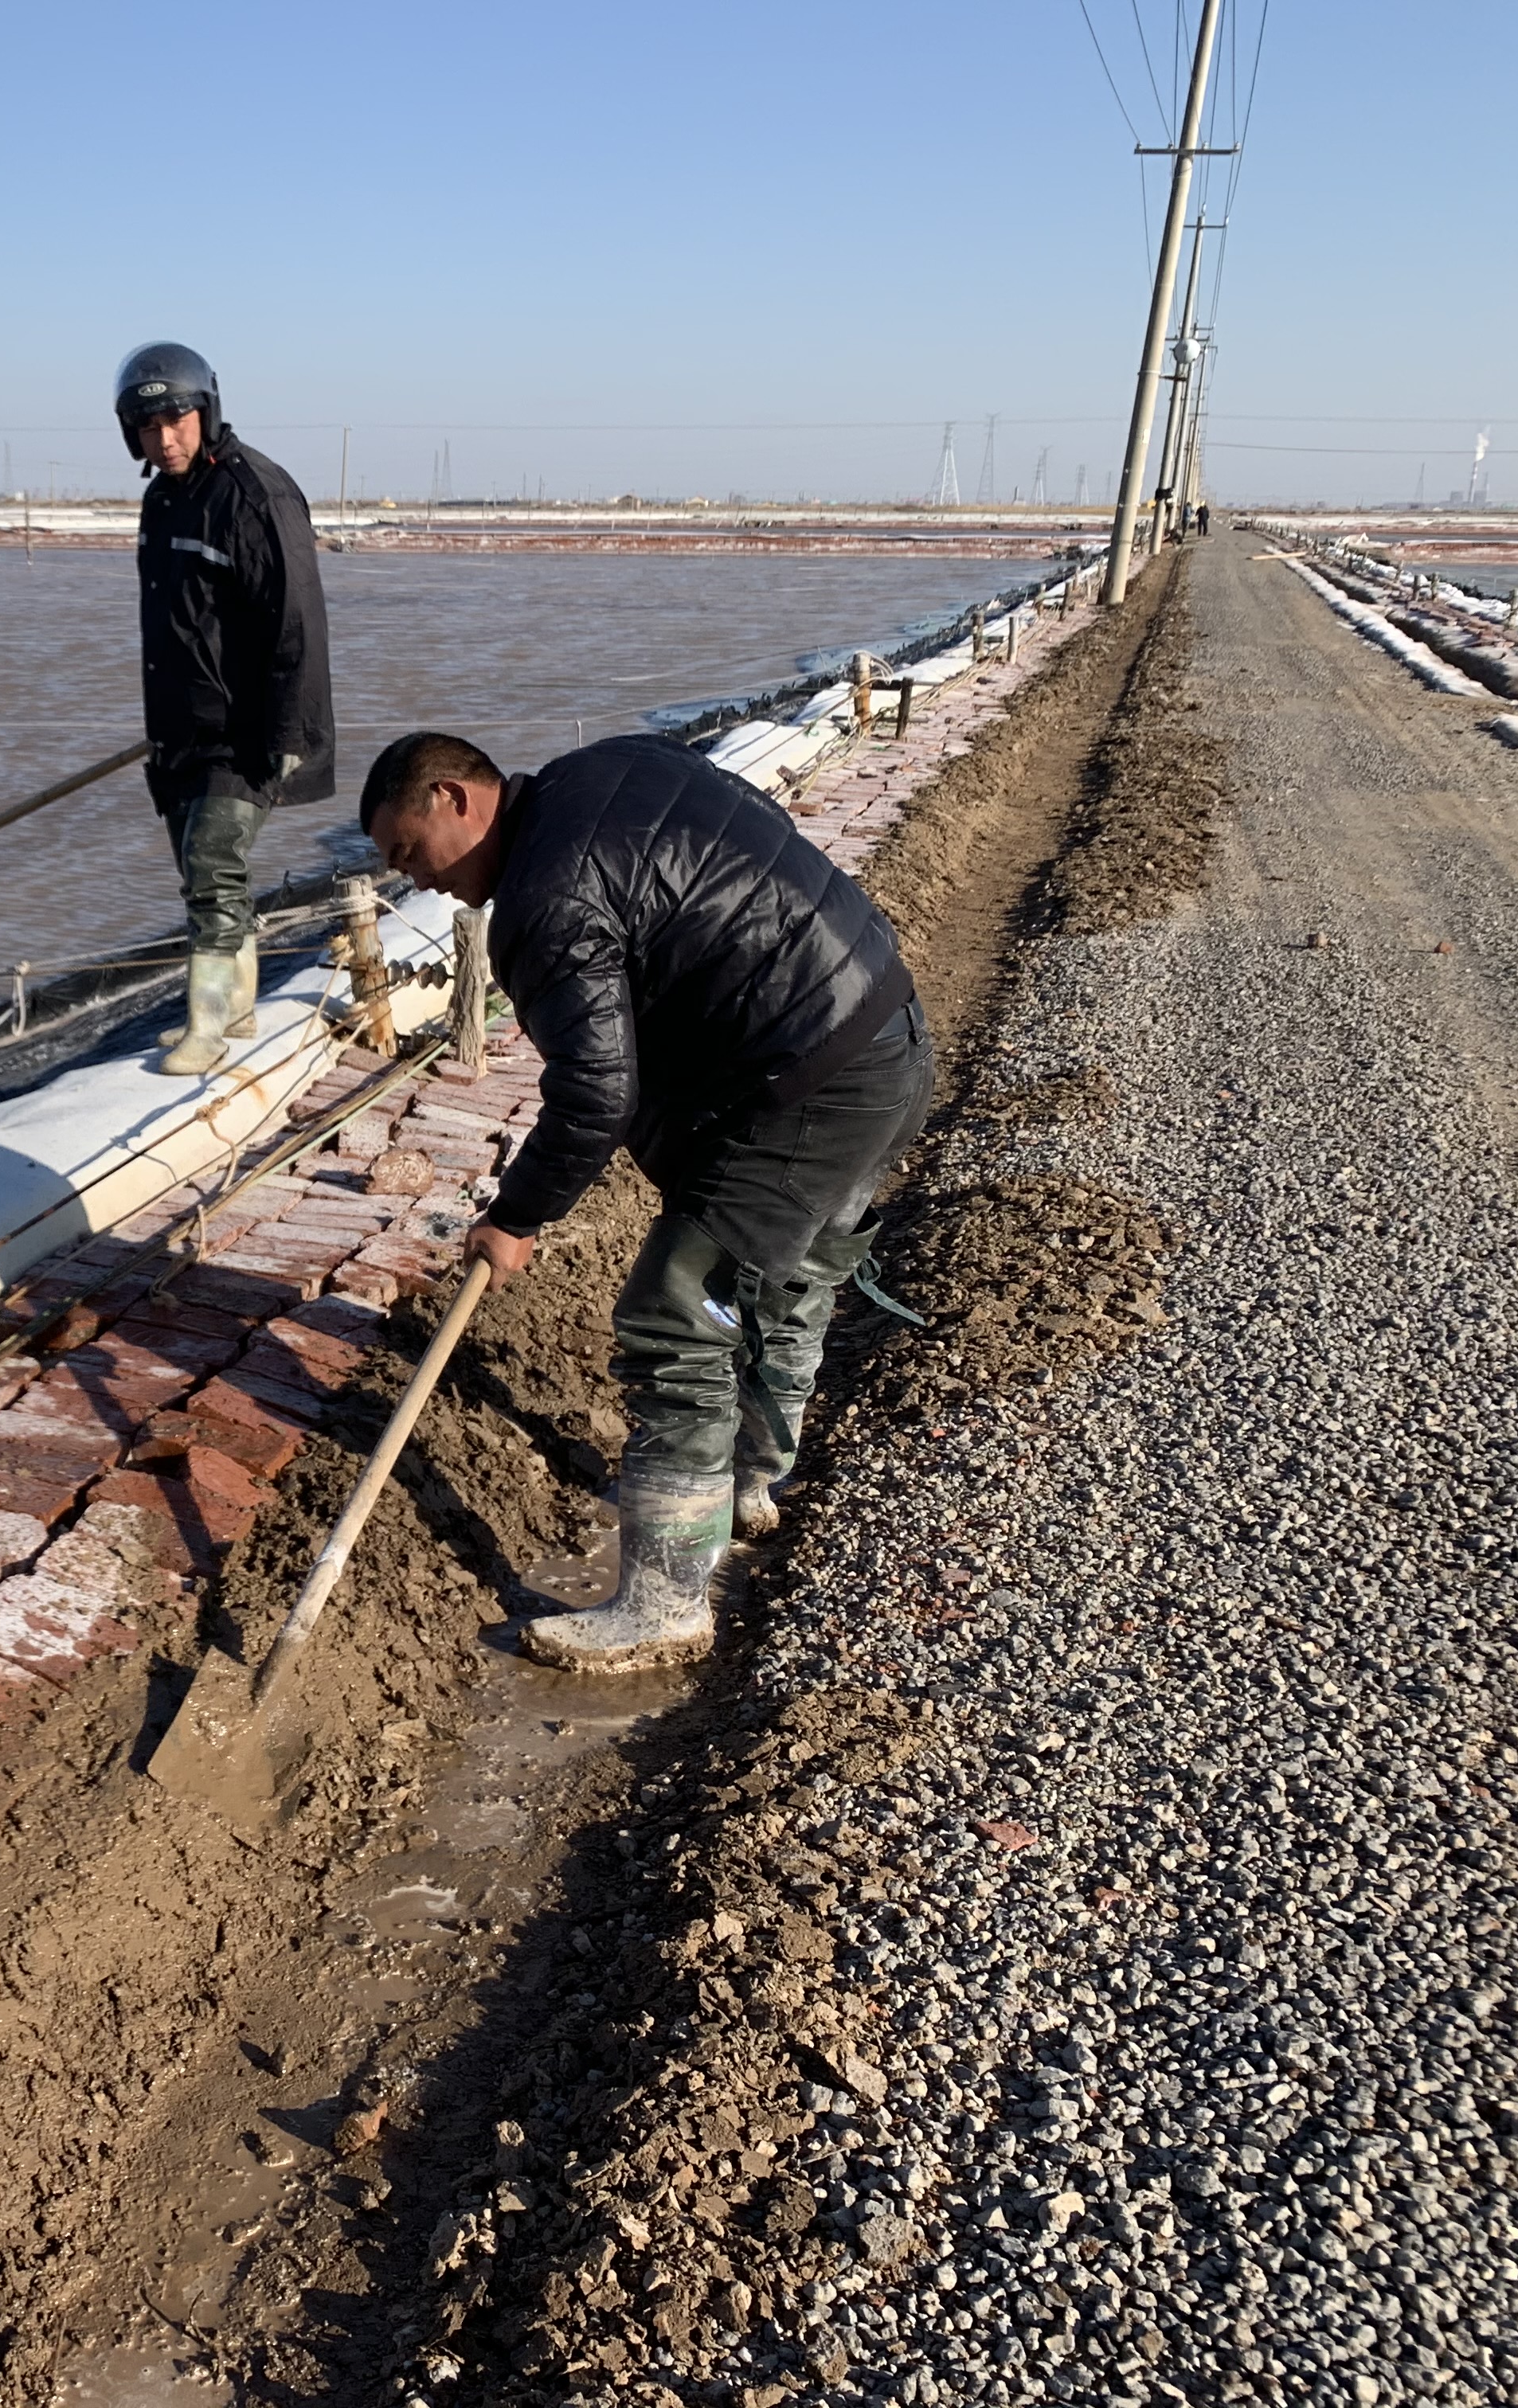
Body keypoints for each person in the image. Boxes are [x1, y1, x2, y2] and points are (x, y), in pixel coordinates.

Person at [358, 728, 933, 1672]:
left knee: (676, 1313)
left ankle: (664, 1605)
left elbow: (596, 1093)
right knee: (790, 1273)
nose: (414, 879)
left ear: (455, 797)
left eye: (408, 852)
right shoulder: (611, 765)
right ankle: (747, 1484)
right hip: (887, 1029)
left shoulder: (542, 902)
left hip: (808, 1088)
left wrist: (517, 1218)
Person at [114, 342, 335, 1074]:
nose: (164, 439)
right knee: (202, 876)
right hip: (181, 730)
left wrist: (289, 735)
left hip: (249, 731)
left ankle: (205, 1030)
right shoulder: (162, 500)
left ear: (205, 412)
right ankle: (237, 1008)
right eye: (147, 427)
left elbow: (297, 620)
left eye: (175, 421)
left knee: (213, 866)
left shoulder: (255, 495)